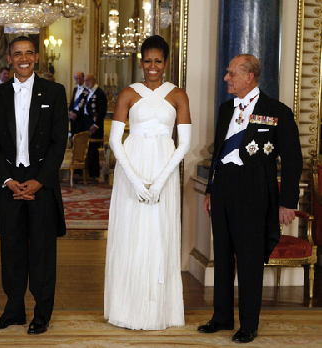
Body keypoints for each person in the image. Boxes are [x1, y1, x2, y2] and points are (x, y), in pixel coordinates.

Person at [198, 54, 302, 343]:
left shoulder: (276, 110)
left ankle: (248, 324)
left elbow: (293, 160)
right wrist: (210, 189)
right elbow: (218, 153)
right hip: (224, 189)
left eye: (231, 73)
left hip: (254, 190)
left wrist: (287, 202)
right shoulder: (225, 109)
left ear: (249, 76)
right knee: (222, 253)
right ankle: (221, 316)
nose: (226, 78)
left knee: (249, 258)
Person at [104, 35, 191, 330]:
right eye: (147, 61)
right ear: (141, 62)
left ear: (166, 63)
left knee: (159, 236)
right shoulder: (128, 93)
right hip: (133, 169)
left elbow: (184, 145)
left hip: (164, 171)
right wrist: (137, 182)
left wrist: (159, 182)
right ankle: (127, 309)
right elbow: (116, 140)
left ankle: (159, 311)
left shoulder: (178, 94)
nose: (152, 66)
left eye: (158, 61)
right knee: (132, 235)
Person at [0, 36, 68, 335]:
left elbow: (59, 142)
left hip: (41, 182)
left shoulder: (55, 92)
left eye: (29, 53)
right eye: (17, 53)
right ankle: (14, 310)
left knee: (43, 251)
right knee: (11, 249)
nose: (23, 58)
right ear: (10, 58)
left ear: (37, 57)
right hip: (8, 180)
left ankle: (42, 314)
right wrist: (7, 180)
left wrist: (40, 180)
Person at [83, 73, 107, 180]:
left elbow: (102, 111)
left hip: (95, 125)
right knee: (88, 149)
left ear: (93, 80)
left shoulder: (100, 93)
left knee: (94, 150)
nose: (86, 83)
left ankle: (94, 173)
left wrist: (96, 125)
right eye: (85, 81)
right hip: (87, 123)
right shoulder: (88, 92)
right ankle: (88, 172)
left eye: (87, 81)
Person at [68, 71, 88, 136]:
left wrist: (76, 115)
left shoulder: (87, 90)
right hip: (73, 119)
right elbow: (72, 103)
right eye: (76, 78)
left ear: (83, 78)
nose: (78, 80)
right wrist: (70, 112)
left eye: (80, 78)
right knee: (73, 136)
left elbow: (86, 106)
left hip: (81, 118)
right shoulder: (75, 89)